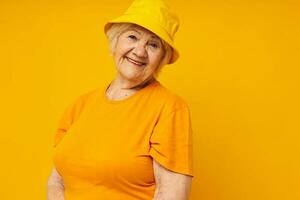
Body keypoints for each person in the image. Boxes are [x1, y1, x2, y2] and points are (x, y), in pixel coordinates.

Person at [47, 0, 194, 199]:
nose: (140, 51)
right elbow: (57, 180)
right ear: (115, 42)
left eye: (153, 44)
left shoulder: (169, 108)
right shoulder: (80, 105)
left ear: (162, 58)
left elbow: (171, 194)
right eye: (132, 37)